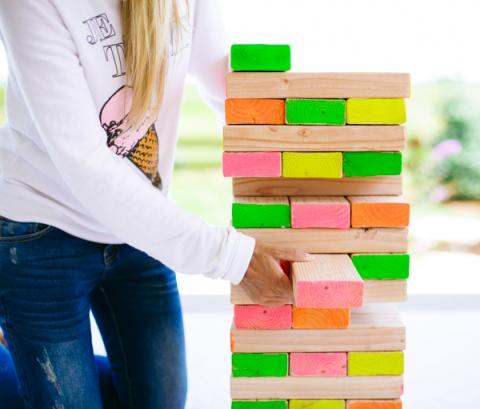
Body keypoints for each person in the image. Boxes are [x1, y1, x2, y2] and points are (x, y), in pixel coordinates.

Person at [0, 1, 310, 408]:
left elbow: (223, 80)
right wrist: (234, 257)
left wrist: (298, 152)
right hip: (39, 235)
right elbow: (89, 167)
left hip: (138, 229)